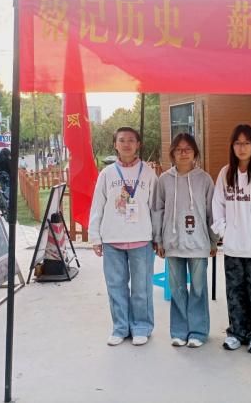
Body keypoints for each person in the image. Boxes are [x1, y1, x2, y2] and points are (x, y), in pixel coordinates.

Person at [89, 127, 158, 347]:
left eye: (131, 140)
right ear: (115, 145)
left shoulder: (148, 173)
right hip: (112, 239)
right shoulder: (107, 174)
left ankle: (141, 327)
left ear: (138, 144)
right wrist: (95, 237)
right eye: (121, 140)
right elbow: (97, 206)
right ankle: (120, 327)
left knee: (141, 288)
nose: (126, 144)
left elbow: (156, 208)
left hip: (141, 239)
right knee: (116, 286)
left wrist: (157, 237)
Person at [212, 124, 251, 354]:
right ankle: (236, 332)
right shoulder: (226, 173)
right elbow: (217, 205)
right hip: (233, 246)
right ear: (232, 146)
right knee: (234, 292)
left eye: (247, 143)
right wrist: (224, 231)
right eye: (238, 143)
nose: (242, 147)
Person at [153, 133, 217, 348]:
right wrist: (158, 239)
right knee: (177, 290)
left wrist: (213, 241)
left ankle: (198, 332)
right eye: (178, 149)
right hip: (172, 243)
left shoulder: (204, 179)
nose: (183, 153)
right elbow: (158, 210)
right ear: (172, 153)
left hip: (198, 243)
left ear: (195, 153)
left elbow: (212, 213)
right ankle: (179, 332)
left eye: (187, 149)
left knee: (198, 289)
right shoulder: (164, 180)